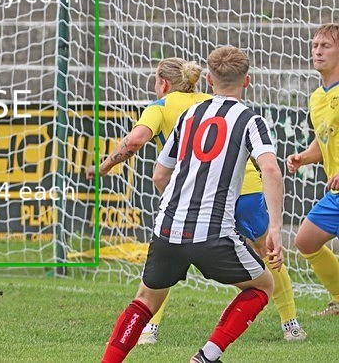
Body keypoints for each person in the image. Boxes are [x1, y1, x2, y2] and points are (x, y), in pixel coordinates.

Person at [88, 57, 306, 343]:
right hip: (249, 188)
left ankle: (149, 328)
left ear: (163, 83)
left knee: (168, 256)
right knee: (268, 255)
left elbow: (135, 140)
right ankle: (290, 324)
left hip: (203, 195)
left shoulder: (162, 107)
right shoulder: (217, 101)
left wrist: (103, 167)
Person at [286, 22, 339, 316]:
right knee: (305, 240)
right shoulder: (317, 97)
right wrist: (303, 158)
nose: (317, 52)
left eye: (326, 46)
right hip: (336, 192)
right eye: (315, 46)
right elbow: (324, 140)